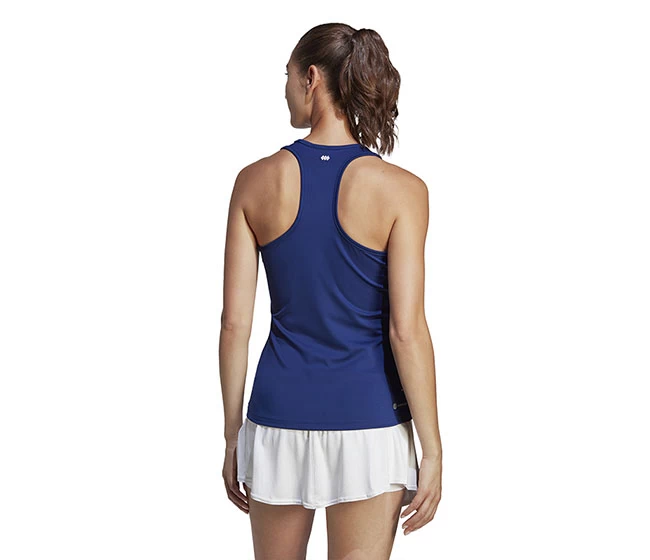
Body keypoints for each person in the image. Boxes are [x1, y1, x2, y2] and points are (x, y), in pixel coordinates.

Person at [219, 23, 442, 559]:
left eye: (288, 76)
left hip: (277, 417)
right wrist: (431, 446)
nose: (285, 89)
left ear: (312, 77)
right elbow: (407, 330)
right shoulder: (403, 190)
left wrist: (232, 436)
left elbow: (234, 324)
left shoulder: (254, 181)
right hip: (370, 422)